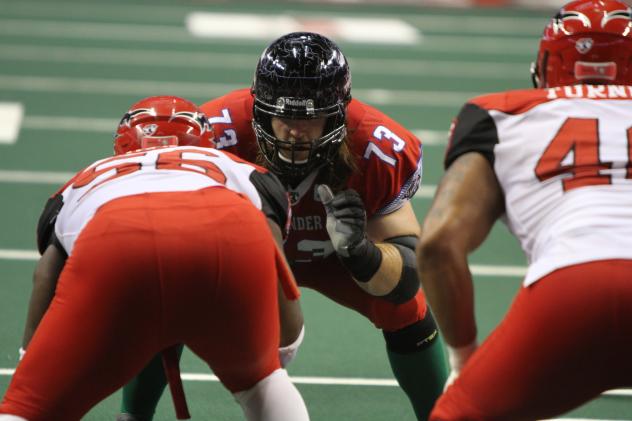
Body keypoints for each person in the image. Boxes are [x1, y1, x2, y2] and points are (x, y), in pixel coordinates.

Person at [120, 32, 448, 421]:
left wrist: (362, 252)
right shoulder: (215, 136)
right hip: (244, 251)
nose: (296, 131)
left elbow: (408, 272)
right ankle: (133, 414)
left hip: (334, 256)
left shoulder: (377, 145)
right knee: (169, 292)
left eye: (311, 119)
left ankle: (440, 416)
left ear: (339, 113)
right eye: (285, 116)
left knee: (405, 306)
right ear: (259, 109)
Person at [0, 96, 309, 421]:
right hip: (230, 230)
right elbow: (268, 245)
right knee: (261, 384)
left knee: (29, 408)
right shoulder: (240, 169)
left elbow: (46, 273)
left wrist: (31, 363)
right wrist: (281, 350)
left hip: (117, 238)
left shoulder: (86, 178)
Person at [416, 1, 632, 419]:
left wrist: (464, 359)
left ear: (548, 65)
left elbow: (438, 244)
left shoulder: (502, 114)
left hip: (572, 288)